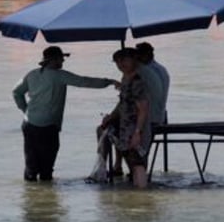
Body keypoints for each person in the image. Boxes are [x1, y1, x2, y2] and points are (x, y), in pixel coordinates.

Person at [13, 46, 119, 182]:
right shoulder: (59, 75)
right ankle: (46, 196)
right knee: (47, 165)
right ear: (54, 59)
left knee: (30, 164)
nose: (63, 61)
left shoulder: (32, 74)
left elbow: (16, 92)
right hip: (48, 125)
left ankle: (32, 196)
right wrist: (109, 81)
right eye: (61, 58)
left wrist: (25, 110)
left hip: (29, 124)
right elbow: (84, 81)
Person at [98, 48, 152, 189]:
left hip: (135, 127)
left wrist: (137, 132)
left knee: (137, 162)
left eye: (124, 60)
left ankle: (142, 195)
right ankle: (137, 197)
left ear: (134, 60)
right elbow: (123, 104)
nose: (121, 64)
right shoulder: (125, 79)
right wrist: (111, 116)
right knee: (131, 160)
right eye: (117, 61)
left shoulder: (137, 81)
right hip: (125, 127)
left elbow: (143, 109)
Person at [136, 41, 170, 114]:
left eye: (138, 55)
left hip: (150, 114)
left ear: (145, 55)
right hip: (160, 112)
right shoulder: (161, 68)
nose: (136, 59)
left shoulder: (146, 71)